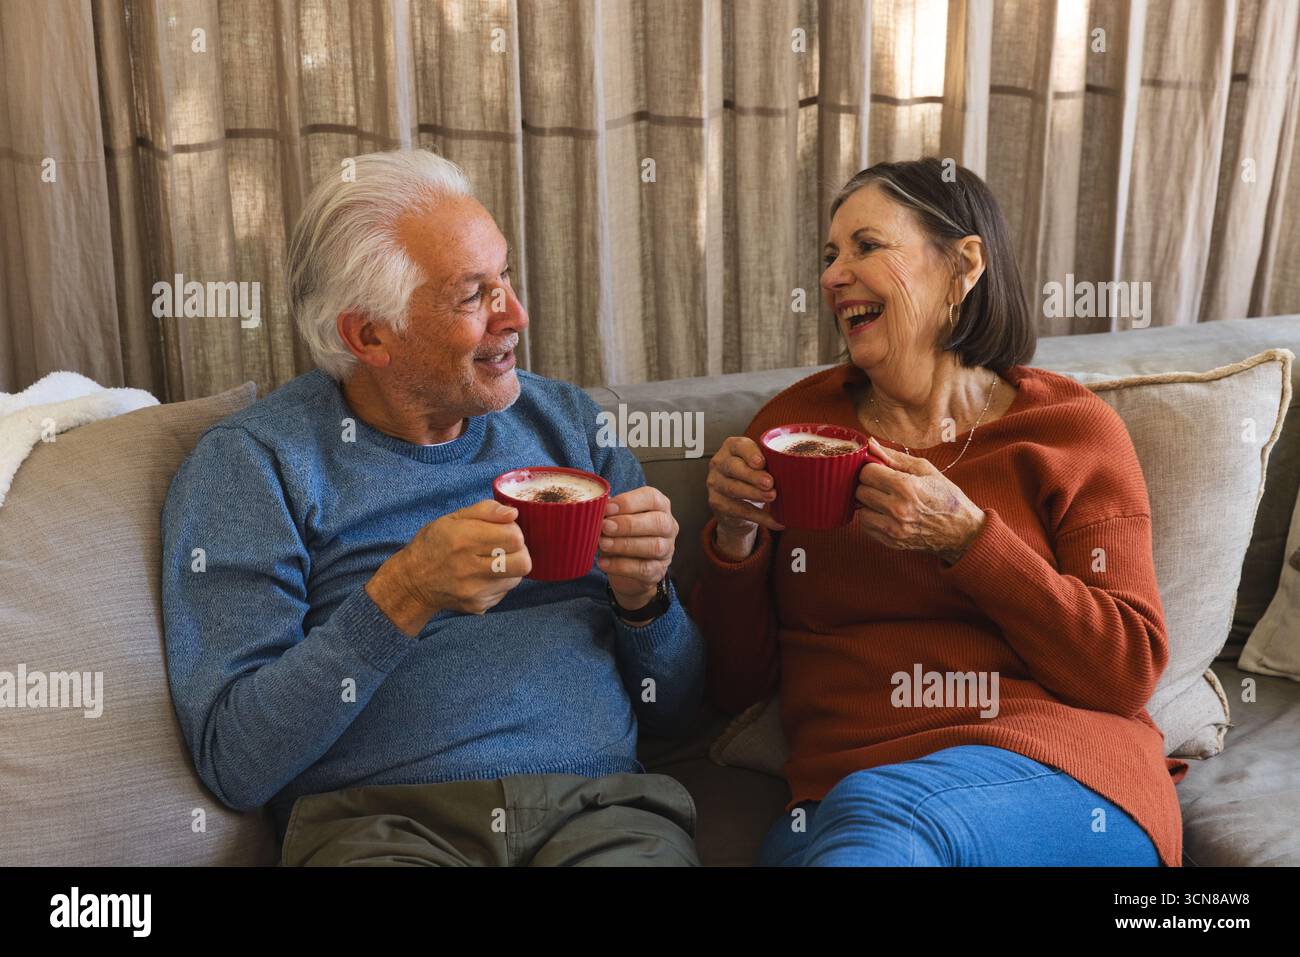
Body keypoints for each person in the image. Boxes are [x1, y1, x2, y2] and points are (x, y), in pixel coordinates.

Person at [161, 149, 704, 867]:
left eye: (504, 275)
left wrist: (646, 598)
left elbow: (680, 708)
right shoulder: (255, 465)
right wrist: (402, 593)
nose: (516, 315)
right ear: (369, 335)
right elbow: (236, 761)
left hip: (601, 810)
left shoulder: (571, 426)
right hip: (381, 827)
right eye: (474, 295)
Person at [693, 157, 1187, 867]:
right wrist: (736, 539)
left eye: (867, 246)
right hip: (844, 800)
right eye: (830, 256)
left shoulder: (1069, 432)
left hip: (1054, 774)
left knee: (879, 825)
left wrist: (970, 540)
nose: (833, 276)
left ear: (963, 264)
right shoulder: (796, 429)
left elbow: (1126, 669)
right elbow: (733, 685)